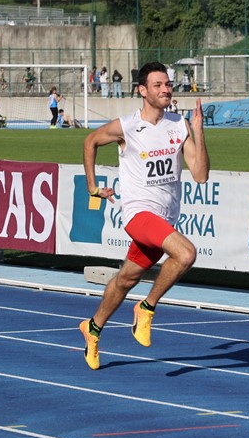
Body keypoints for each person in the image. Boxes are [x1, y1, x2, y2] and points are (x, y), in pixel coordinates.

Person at [79, 61, 210, 371]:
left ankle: (93, 328)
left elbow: (201, 175)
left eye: (168, 84)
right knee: (186, 254)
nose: (166, 90)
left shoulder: (179, 124)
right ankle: (146, 308)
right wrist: (92, 187)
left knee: (127, 278)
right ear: (142, 90)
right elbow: (90, 141)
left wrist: (198, 131)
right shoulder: (127, 126)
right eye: (158, 85)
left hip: (164, 219)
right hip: (139, 213)